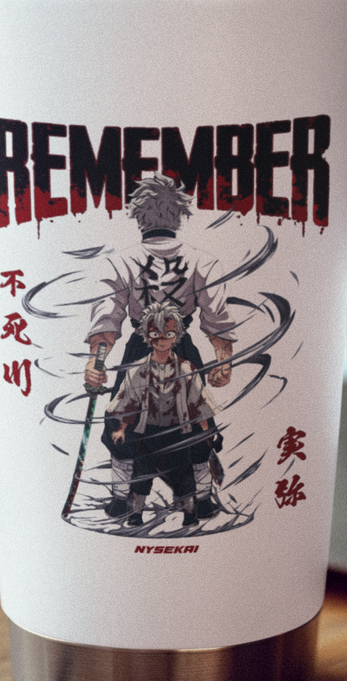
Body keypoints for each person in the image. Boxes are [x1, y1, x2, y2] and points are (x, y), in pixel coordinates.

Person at [84, 174, 234, 518]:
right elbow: (217, 318)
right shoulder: (202, 260)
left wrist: (98, 361)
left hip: (146, 349)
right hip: (179, 351)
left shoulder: (119, 262)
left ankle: (128, 499)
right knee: (191, 428)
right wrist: (224, 361)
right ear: (179, 215)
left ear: (138, 215)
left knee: (139, 427)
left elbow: (108, 320)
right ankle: (194, 497)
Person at [102, 298, 221, 528]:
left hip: (179, 423)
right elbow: (110, 307)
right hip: (138, 347)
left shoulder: (186, 367)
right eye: (157, 336)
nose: (162, 341)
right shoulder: (138, 368)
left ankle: (201, 502)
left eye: (167, 336)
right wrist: (96, 361)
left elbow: (215, 309)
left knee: (196, 445)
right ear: (150, 337)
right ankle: (122, 501)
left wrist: (223, 357)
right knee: (120, 435)